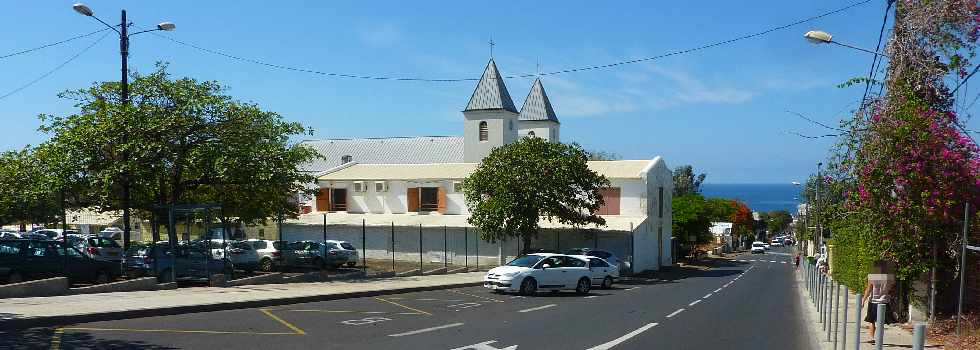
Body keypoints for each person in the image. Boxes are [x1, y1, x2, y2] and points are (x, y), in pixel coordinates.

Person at [862, 261, 896, 345]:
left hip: (873, 301)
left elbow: (869, 289)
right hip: (884, 301)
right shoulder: (889, 277)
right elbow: (892, 288)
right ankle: (879, 338)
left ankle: (872, 338)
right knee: (881, 322)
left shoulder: (873, 277)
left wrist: (863, 300)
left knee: (872, 320)